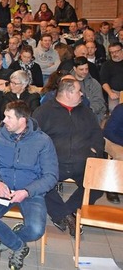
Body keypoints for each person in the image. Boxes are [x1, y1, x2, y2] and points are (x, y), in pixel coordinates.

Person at [0, 101, 59, 270]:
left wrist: (27, 191)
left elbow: (51, 176)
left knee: (36, 229)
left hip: (30, 191)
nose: (4, 120)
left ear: (22, 119)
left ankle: (10, 238)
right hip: (3, 189)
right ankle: (18, 246)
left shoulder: (43, 141)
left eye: (9, 117)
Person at [33, 78, 104, 238]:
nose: (81, 94)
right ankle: (64, 215)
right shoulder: (44, 111)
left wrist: (95, 152)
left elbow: (97, 134)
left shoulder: (86, 111)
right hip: (53, 163)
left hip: (82, 162)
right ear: (68, 93)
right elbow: (33, 137)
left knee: (97, 185)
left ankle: (68, 212)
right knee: (37, 182)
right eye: (78, 91)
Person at [100, 42, 123, 112]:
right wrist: (110, 93)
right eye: (111, 52)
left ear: (122, 50)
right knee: (113, 109)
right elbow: (104, 82)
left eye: (116, 51)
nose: (114, 54)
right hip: (114, 92)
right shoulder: (106, 65)